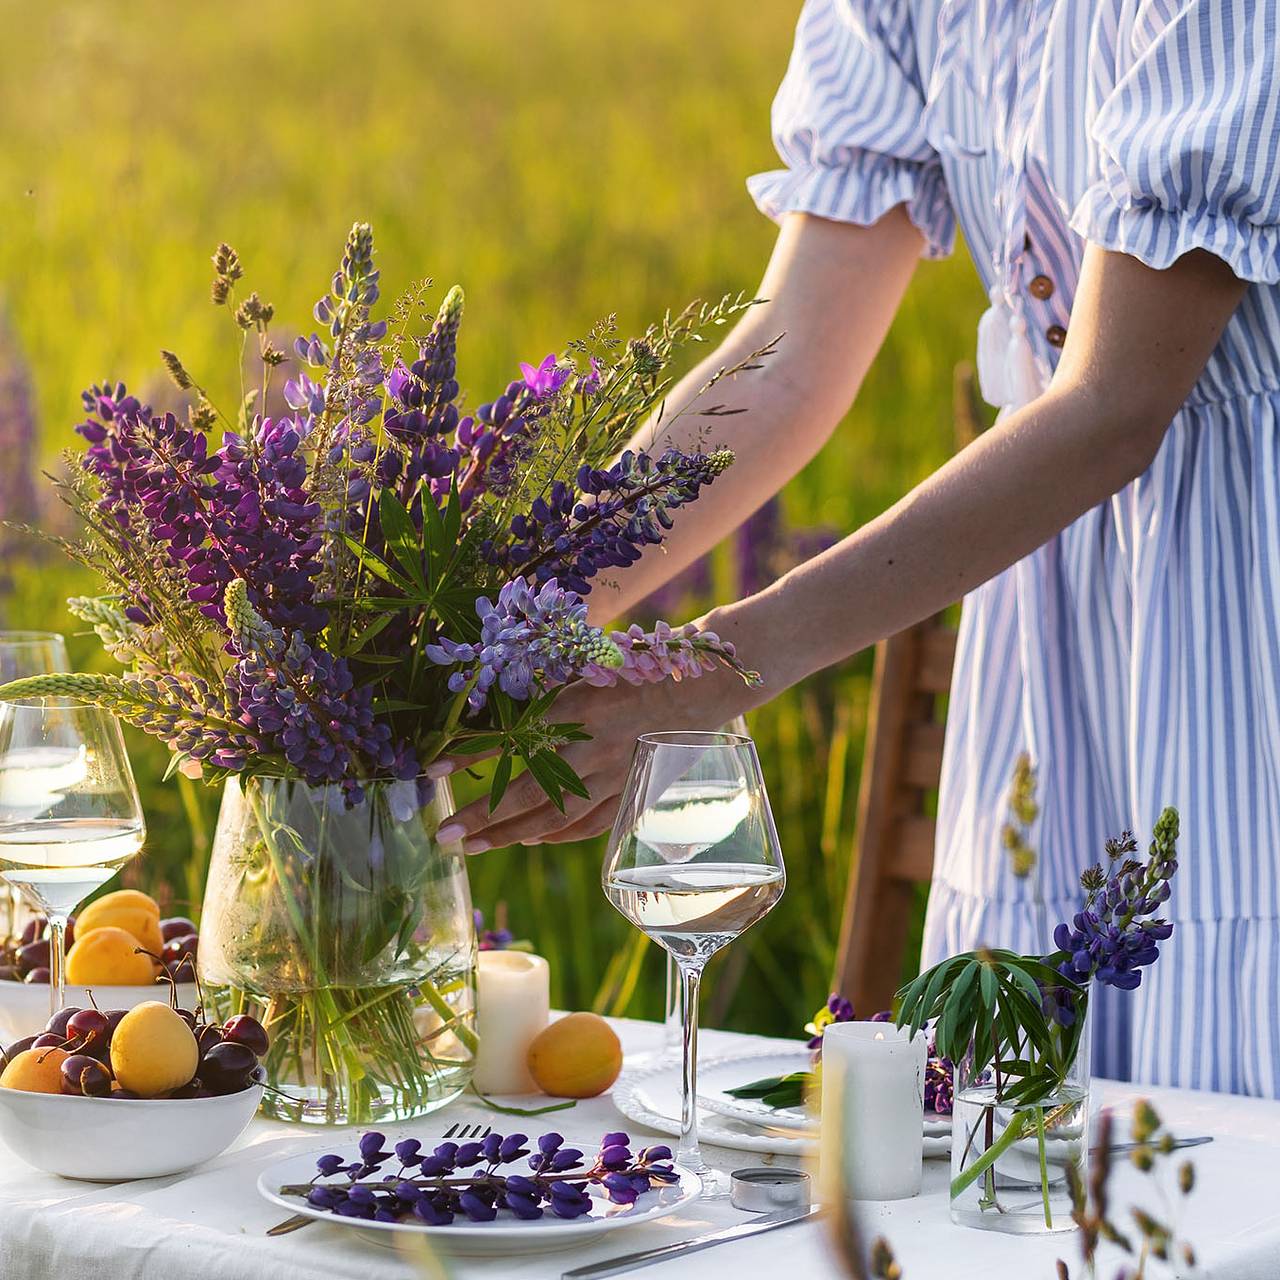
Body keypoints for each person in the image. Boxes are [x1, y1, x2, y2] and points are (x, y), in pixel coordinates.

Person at [438, 0, 1280, 1097]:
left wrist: (693, 673)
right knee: (1014, 1151)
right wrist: (486, 631)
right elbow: (789, 354)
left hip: (1241, 611)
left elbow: (1114, 407)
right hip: (1050, 625)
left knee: (1217, 1121)